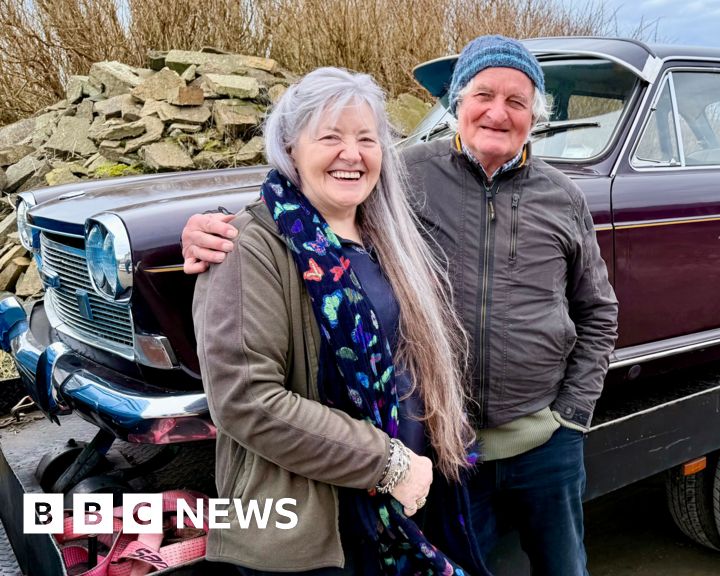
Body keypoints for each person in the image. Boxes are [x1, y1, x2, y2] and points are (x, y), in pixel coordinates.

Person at [184, 36, 618, 576]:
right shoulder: (405, 175)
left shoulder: (564, 196)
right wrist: (209, 227)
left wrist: (573, 413)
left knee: (564, 567)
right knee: (464, 563)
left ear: (536, 116)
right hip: (450, 451)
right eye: (484, 94)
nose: (498, 113)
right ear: (457, 100)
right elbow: (312, 195)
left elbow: (598, 311)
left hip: (543, 443)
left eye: (517, 101)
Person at [192, 67, 489, 576]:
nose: (351, 154)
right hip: (318, 533)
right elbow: (245, 399)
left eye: (366, 139)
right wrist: (389, 464)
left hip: (403, 510)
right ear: (290, 146)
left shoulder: (387, 234)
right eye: (330, 136)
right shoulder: (249, 246)